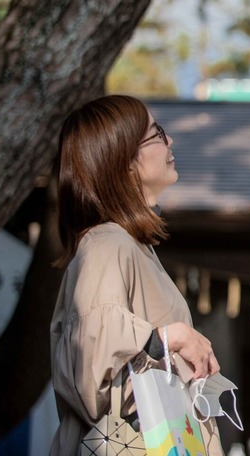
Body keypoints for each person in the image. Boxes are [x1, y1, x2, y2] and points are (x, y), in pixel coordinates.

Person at [48, 94, 224, 455]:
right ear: (125, 162)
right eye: (156, 133)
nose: (169, 141)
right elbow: (91, 371)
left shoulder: (125, 244)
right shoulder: (106, 244)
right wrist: (167, 337)